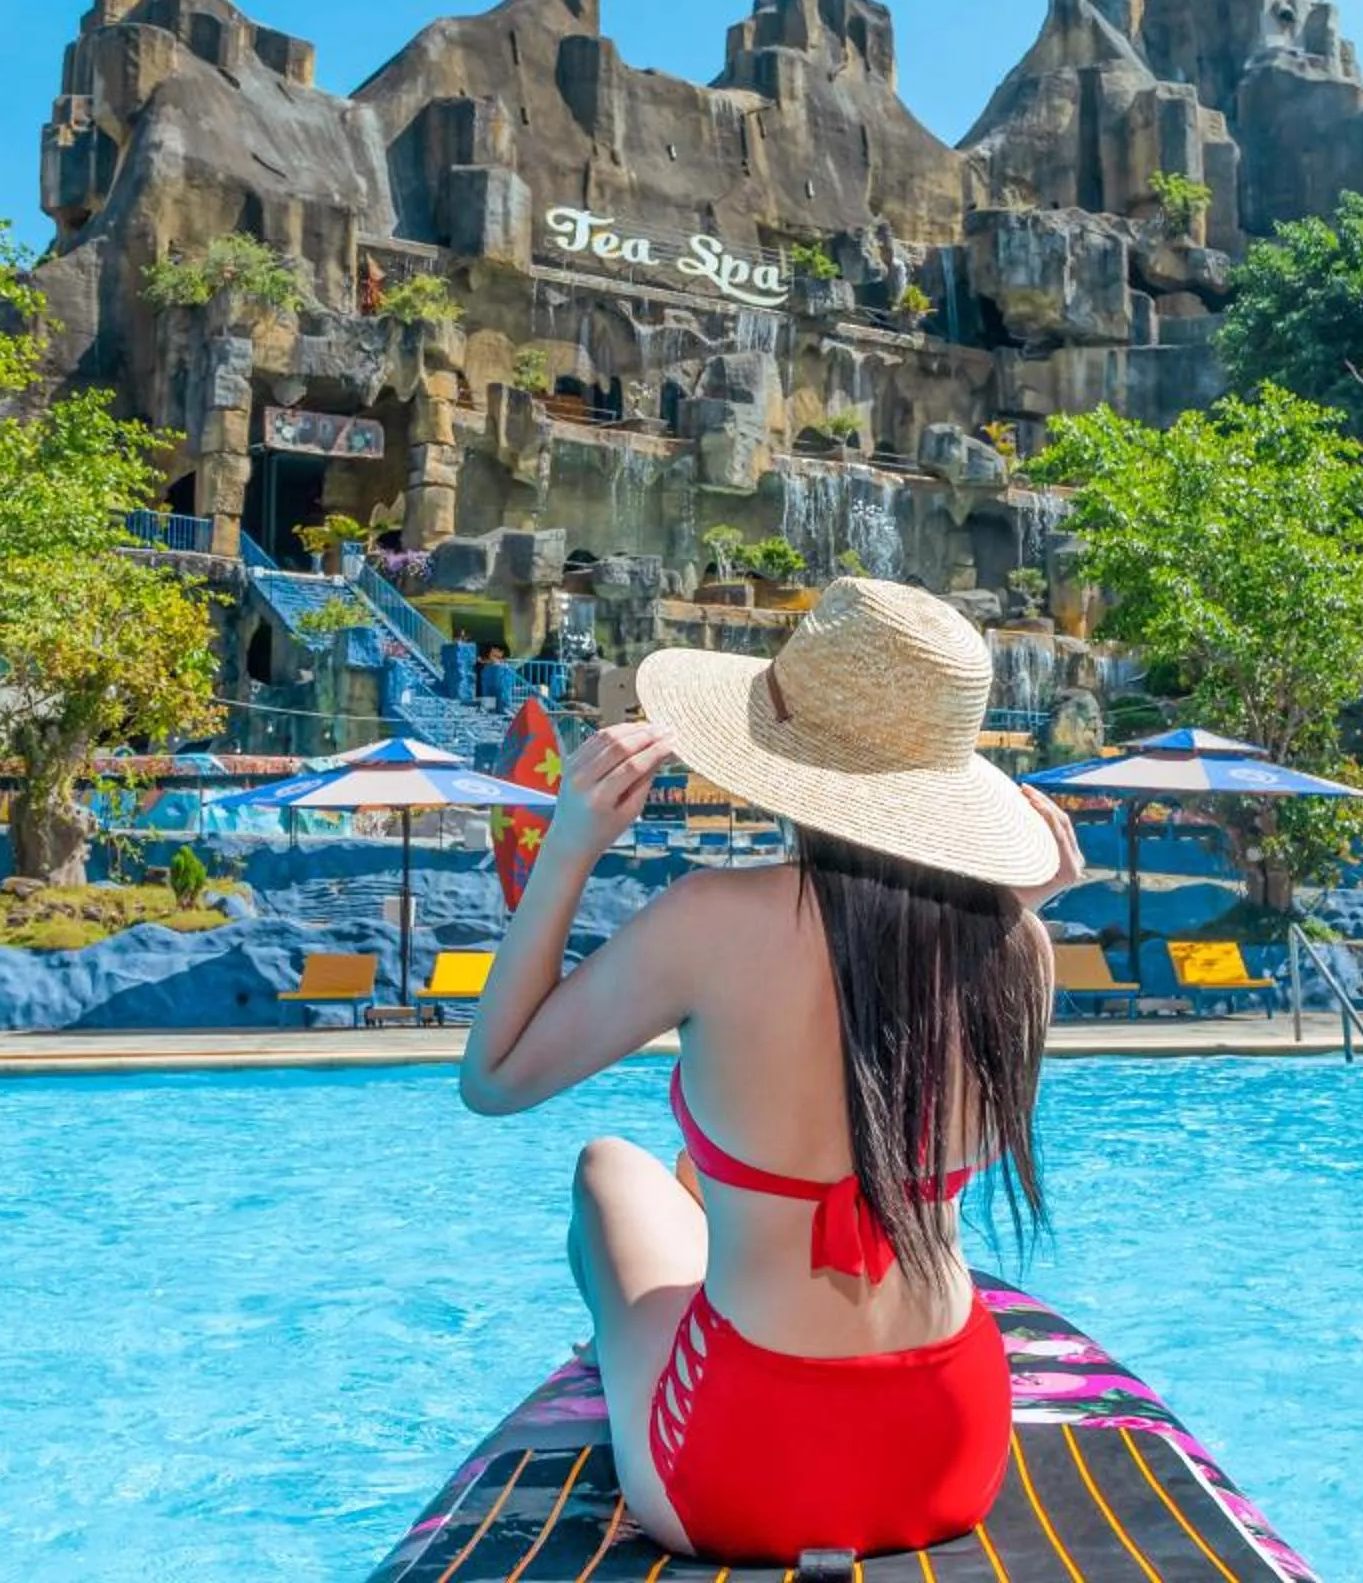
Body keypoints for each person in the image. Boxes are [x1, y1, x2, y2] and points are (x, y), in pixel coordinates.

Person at [460, 578, 1087, 1562]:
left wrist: (568, 849)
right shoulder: (1024, 956)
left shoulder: (714, 921)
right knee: (689, 1180)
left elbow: (494, 1075)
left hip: (740, 1468)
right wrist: (1024, 907)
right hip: (951, 1449)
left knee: (610, 1172)